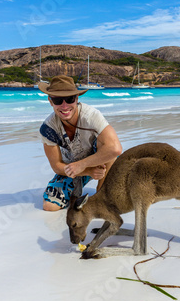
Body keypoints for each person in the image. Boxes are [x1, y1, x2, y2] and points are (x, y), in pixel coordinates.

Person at [38, 75, 122, 211]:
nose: (64, 106)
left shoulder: (91, 116)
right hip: (72, 168)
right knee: (50, 206)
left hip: (99, 161)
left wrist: (83, 164)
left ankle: (101, 192)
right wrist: (87, 171)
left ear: (76, 99)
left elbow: (115, 149)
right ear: (50, 101)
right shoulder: (48, 128)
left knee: (108, 148)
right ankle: (77, 190)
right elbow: (57, 166)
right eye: (58, 100)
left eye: (70, 99)